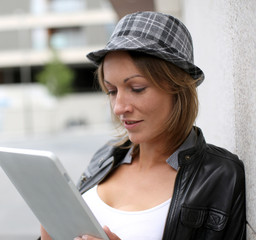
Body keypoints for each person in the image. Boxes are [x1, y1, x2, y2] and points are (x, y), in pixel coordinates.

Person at [40, 11, 246, 240]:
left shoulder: (220, 175)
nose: (119, 107)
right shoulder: (105, 156)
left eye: (136, 88)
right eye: (112, 91)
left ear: (178, 89)